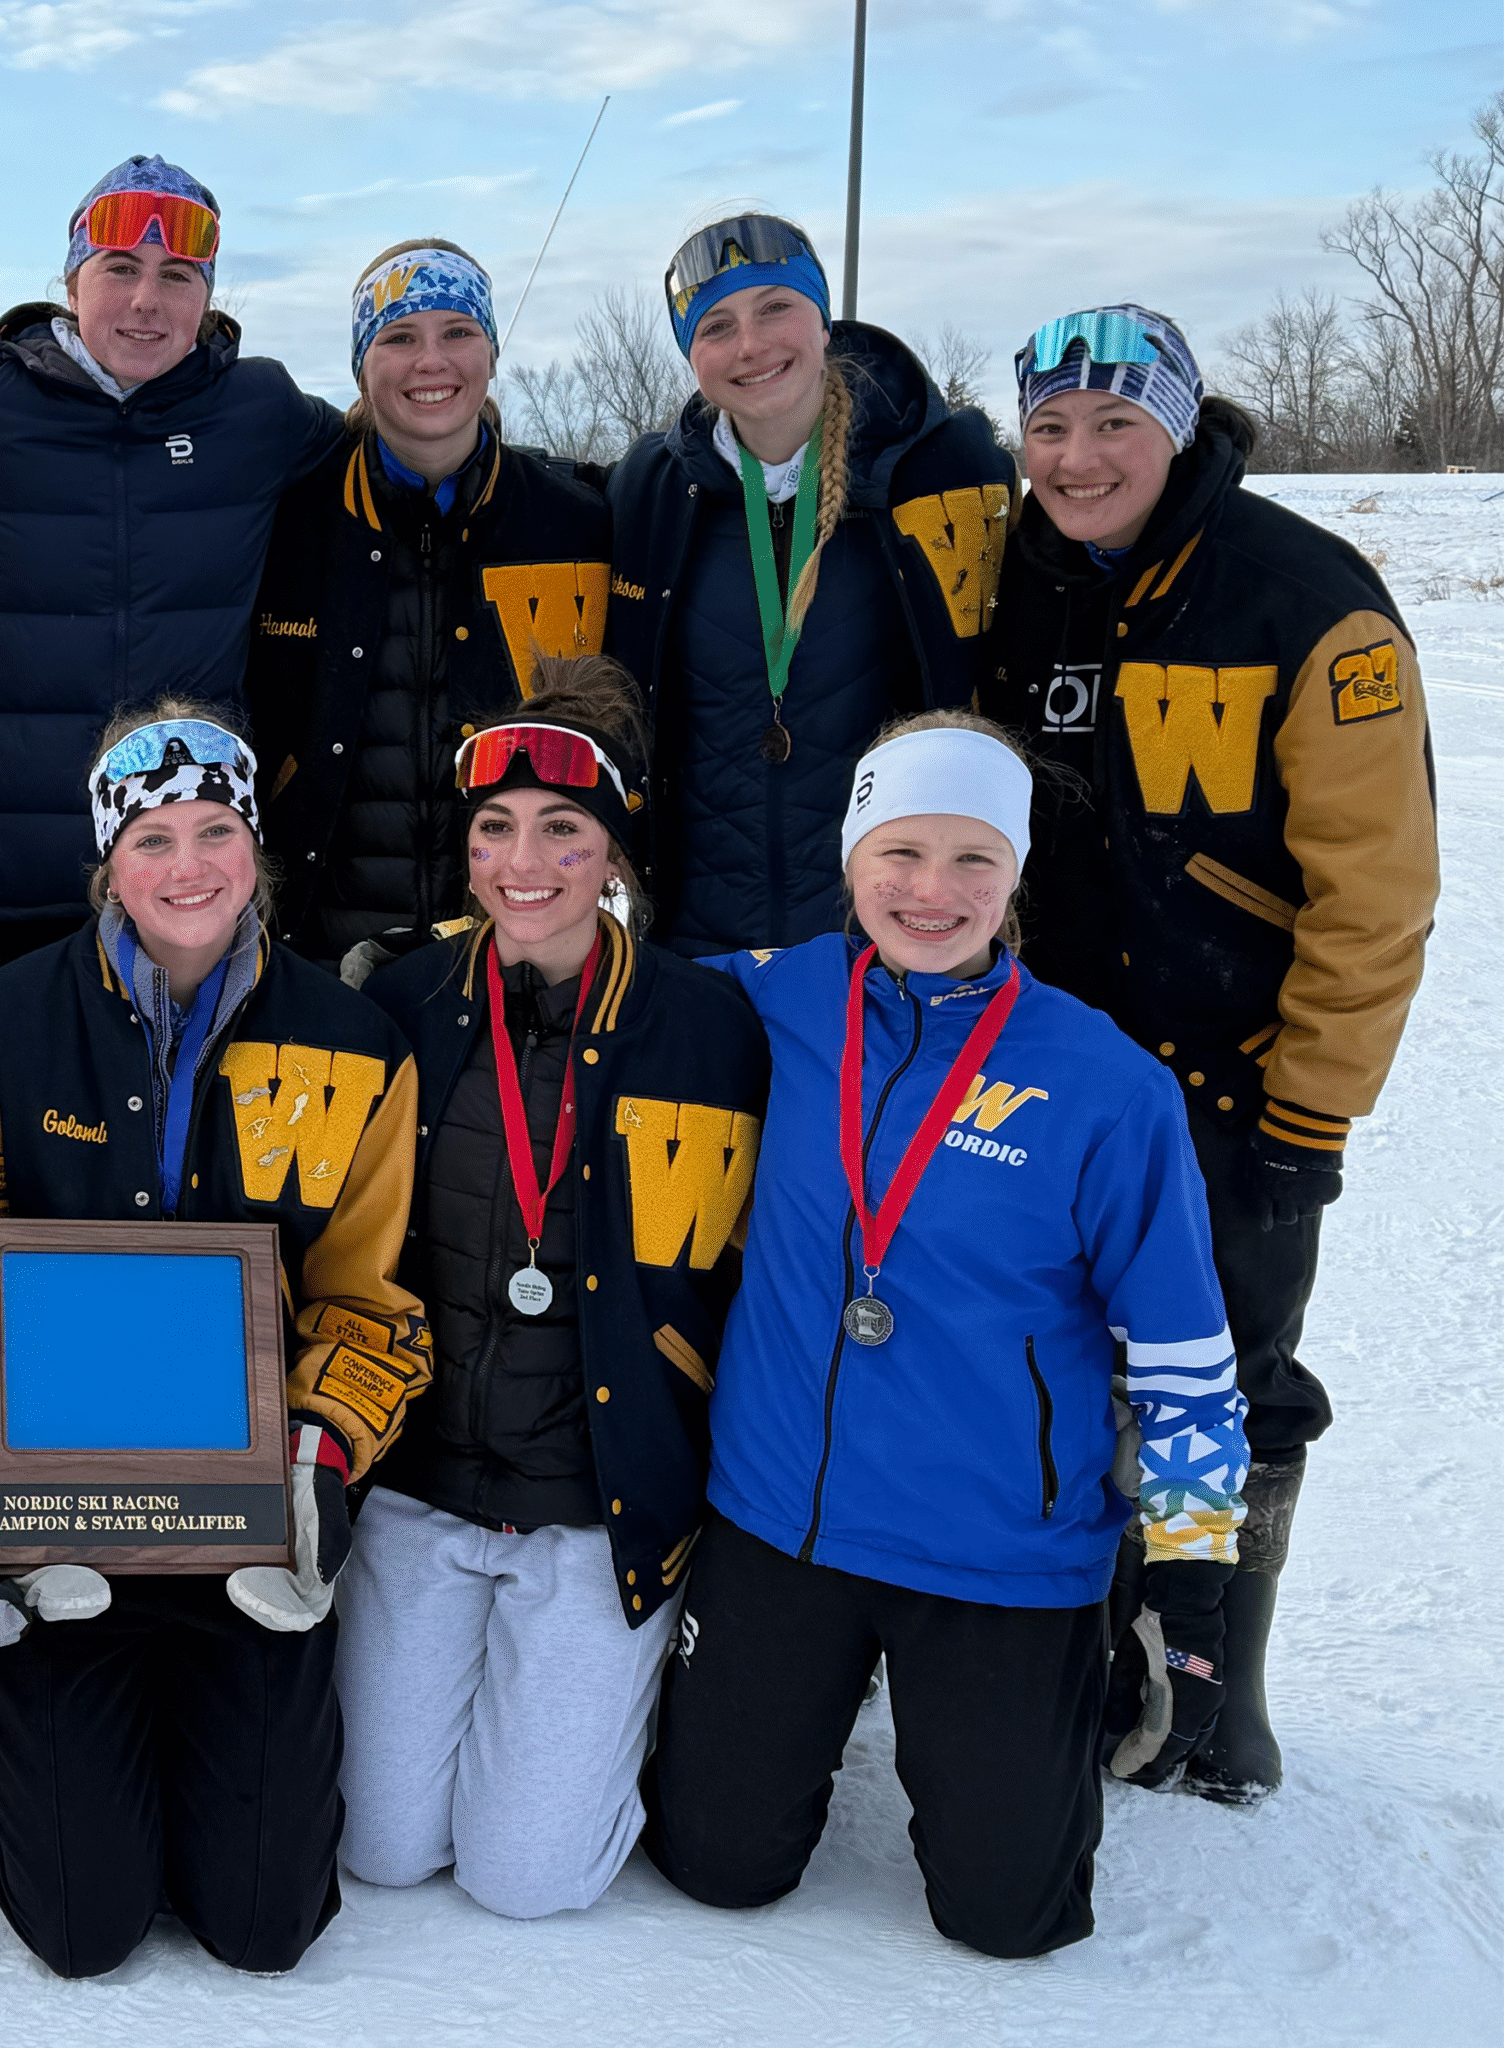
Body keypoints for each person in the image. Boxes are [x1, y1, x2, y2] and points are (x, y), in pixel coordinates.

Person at [643, 714, 1249, 1958]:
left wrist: (1191, 1589)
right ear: (852, 853)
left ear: (1017, 872)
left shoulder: (1104, 1083)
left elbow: (1188, 1357)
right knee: (715, 1866)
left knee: (1010, 1917)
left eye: (973, 858)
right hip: (780, 1519)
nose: (930, 891)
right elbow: (595, 984)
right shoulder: (772, 995)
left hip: (997, 1550)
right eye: (900, 851)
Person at [988, 305, 1439, 1804]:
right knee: (1054, 1361)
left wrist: (1308, 1113)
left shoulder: (1303, 596)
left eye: (1116, 423)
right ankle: (1089, 1650)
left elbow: (1376, 897)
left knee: (1219, 1396)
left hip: (1236, 1094)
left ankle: (1213, 1682)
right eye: (1050, 426)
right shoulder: (1016, 582)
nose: (1078, 455)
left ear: (1180, 427)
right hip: (1050, 1076)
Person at [0, 702, 432, 1978]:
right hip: (58, 1523)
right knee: (83, 1928)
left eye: (214, 828)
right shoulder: (4, 1017)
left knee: (265, 1924)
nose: (186, 864)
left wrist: (320, 1457)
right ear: (107, 861)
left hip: (245, 1518)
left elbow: (371, 1295)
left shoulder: (353, 1042)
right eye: (150, 837)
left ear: (255, 843)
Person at [341, 659, 769, 1918]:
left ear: (615, 850)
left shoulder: (710, 1022)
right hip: (425, 1485)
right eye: (493, 828)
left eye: (563, 829)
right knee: (380, 1845)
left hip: (596, 1501)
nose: (523, 860)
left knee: (528, 1879)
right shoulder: (401, 997)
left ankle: (603, 1717)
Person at [0, 156, 345, 1008]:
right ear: (73, 279)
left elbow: (399, 455)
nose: (147, 300)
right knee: (6, 1137)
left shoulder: (262, 410)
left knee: (184, 1137)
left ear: (209, 296)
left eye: (177, 276)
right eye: (120, 269)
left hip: (185, 883)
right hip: (6, 878)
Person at [601, 213, 1017, 958]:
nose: (751, 345)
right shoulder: (653, 490)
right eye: (716, 326)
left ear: (823, 320)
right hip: (699, 940)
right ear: (691, 353)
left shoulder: (937, 466)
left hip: (885, 936)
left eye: (775, 308)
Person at [247, 241, 613, 980]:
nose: (431, 361)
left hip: (508, 944)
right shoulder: (288, 520)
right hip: (314, 950)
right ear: (361, 364)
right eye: (400, 337)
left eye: (458, 332)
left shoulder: (573, 520)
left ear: (491, 349)